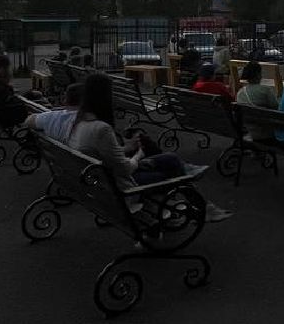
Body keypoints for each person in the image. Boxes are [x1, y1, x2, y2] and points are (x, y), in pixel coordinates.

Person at [68, 72, 233, 221]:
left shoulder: (79, 123)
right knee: (171, 168)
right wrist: (138, 155)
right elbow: (126, 169)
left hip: (104, 181)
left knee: (170, 158)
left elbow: (103, 154)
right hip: (123, 187)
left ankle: (190, 186)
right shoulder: (101, 128)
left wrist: (126, 148)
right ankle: (202, 204)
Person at [234, 59, 278, 141]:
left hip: (250, 130)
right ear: (258, 74)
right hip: (266, 131)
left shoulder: (240, 92)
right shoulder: (265, 90)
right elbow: (276, 107)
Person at [0, 54, 29, 131]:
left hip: (2, 117)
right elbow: (12, 104)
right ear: (3, 69)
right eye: (8, 67)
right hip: (8, 118)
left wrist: (28, 95)